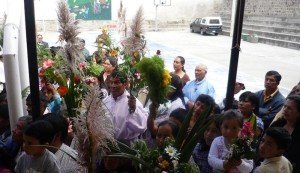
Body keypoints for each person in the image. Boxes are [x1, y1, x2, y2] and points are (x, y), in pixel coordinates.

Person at [103, 70, 148, 144]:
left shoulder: (133, 103)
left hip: (127, 147)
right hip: (107, 145)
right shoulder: (105, 102)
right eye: (111, 82)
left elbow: (142, 128)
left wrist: (133, 110)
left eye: (117, 82)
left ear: (125, 84)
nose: (113, 86)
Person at [271, 95, 300, 172]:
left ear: (298, 113)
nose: (285, 110)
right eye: (285, 106)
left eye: (289, 108)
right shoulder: (277, 124)